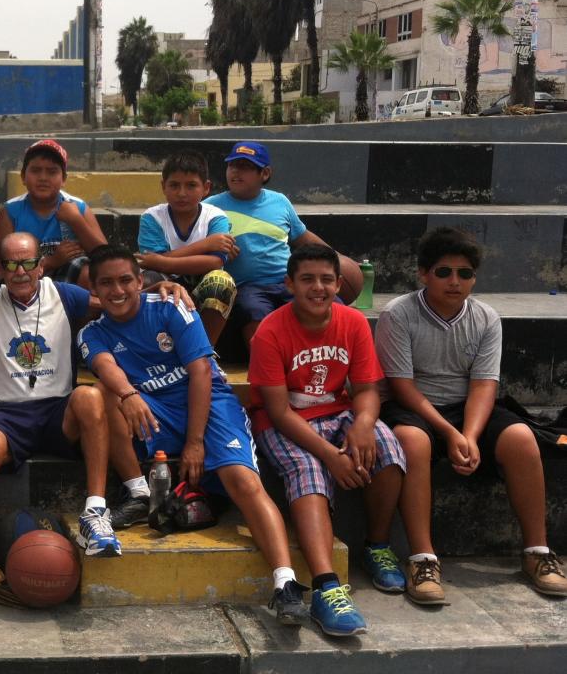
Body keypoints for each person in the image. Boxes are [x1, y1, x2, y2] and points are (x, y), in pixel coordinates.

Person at [77, 243, 309, 628]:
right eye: (106, 284)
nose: (117, 291)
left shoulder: (171, 308)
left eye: (125, 281)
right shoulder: (92, 332)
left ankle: (285, 582)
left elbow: (200, 372)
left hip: (209, 402)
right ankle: (139, 492)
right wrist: (130, 394)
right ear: (95, 291)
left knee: (243, 481)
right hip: (154, 409)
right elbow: (105, 367)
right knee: (104, 394)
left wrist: (195, 442)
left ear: (141, 281)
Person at [375, 227, 567, 601]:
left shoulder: (486, 318)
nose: (455, 282)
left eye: (465, 274)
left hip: (468, 408)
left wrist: (471, 436)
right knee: (411, 442)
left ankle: (537, 552)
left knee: (521, 438)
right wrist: (450, 433)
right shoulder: (398, 314)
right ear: (423, 274)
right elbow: (403, 387)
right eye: (444, 272)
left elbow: (483, 386)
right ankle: (422, 559)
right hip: (415, 405)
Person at [0, 231, 121, 610]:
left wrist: (166, 288)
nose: (20, 271)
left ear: (41, 264)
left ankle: (95, 513)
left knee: (89, 396)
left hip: (57, 409)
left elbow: (116, 301)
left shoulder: (65, 295)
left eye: (27, 262)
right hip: (8, 412)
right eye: (10, 263)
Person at [248, 244, 407, 637]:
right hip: (284, 422)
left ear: (339, 284)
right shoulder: (270, 330)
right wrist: (331, 457)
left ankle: (377, 546)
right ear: (289, 284)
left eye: (325, 279)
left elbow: (368, 389)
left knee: (386, 444)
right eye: (307, 279)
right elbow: (280, 411)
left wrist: (365, 422)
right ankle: (326, 587)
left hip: (338, 411)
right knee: (308, 469)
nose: (317, 287)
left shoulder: (353, 322)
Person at [204, 141, 361, 347]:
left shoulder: (279, 202)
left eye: (246, 166)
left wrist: (334, 258)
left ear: (265, 173)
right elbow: (195, 243)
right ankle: (267, 364)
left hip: (287, 281)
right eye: (232, 165)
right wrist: (214, 248)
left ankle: (329, 360)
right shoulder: (211, 207)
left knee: (334, 308)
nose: (236, 171)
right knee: (256, 313)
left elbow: (302, 236)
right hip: (247, 286)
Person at [136, 151, 239, 345]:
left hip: (201, 285)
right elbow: (152, 264)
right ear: (163, 187)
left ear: (206, 188)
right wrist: (205, 244)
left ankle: (206, 351)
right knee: (148, 279)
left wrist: (163, 261)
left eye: (191, 185)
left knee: (221, 281)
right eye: (174, 185)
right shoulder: (152, 217)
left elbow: (215, 262)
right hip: (165, 284)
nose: (182, 193)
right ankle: (157, 348)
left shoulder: (215, 217)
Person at [0, 139, 107, 286]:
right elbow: (3, 268)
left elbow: (105, 257)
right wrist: (51, 261)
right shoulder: (10, 211)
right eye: (35, 170)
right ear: (23, 176)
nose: (43, 178)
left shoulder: (77, 207)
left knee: (87, 272)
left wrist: (76, 221)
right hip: (24, 279)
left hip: (69, 281)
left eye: (52, 172)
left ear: (64, 179)